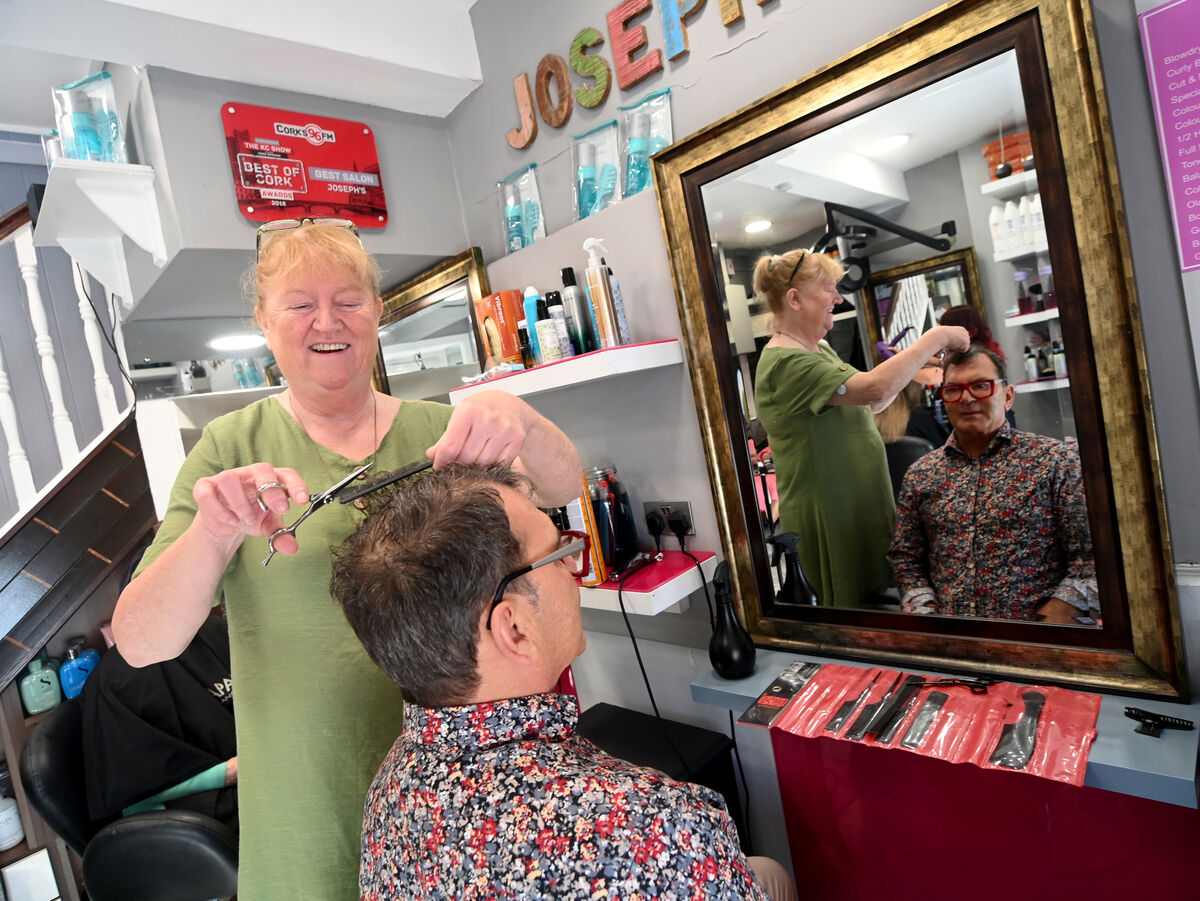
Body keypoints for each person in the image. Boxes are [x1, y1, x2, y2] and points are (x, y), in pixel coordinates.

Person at [110, 219, 582, 900]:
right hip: (307, 814)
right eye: (299, 304)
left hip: (456, 796)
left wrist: (525, 421)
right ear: (265, 323)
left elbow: (564, 485)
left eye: (348, 300)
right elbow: (139, 640)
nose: (326, 321)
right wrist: (212, 533)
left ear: (378, 311)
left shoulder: (438, 435)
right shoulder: (227, 448)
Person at [329, 463, 798, 901]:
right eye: (560, 555)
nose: (576, 571)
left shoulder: (390, 789)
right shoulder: (657, 830)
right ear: (513, 628)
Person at [751, 248, 968, 607]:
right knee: (850, 617)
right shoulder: (786, 362)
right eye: (829, 289)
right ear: (794, 298)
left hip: (857, 504)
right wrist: (936, 337)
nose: (838, 299)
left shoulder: (817, 349)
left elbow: (873, 401)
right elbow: (875, 388)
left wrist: (910, 369)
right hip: (830, 514)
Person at [888, 344, 1098, 622]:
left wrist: (1058, 613)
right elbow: (906, 558)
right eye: (953, 390)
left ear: (1008, 396)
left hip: (1041, 639)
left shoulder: (1055, 462)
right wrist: (926, 614)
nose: (967, 398)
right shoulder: (922, 474)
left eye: (980, 385)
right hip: (953, 642)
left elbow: (1093, 557)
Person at [79, 614, 237, 830]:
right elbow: (135, 792)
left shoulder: (209, 631)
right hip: (184, 810)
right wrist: (229, 772)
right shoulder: (115, 684)